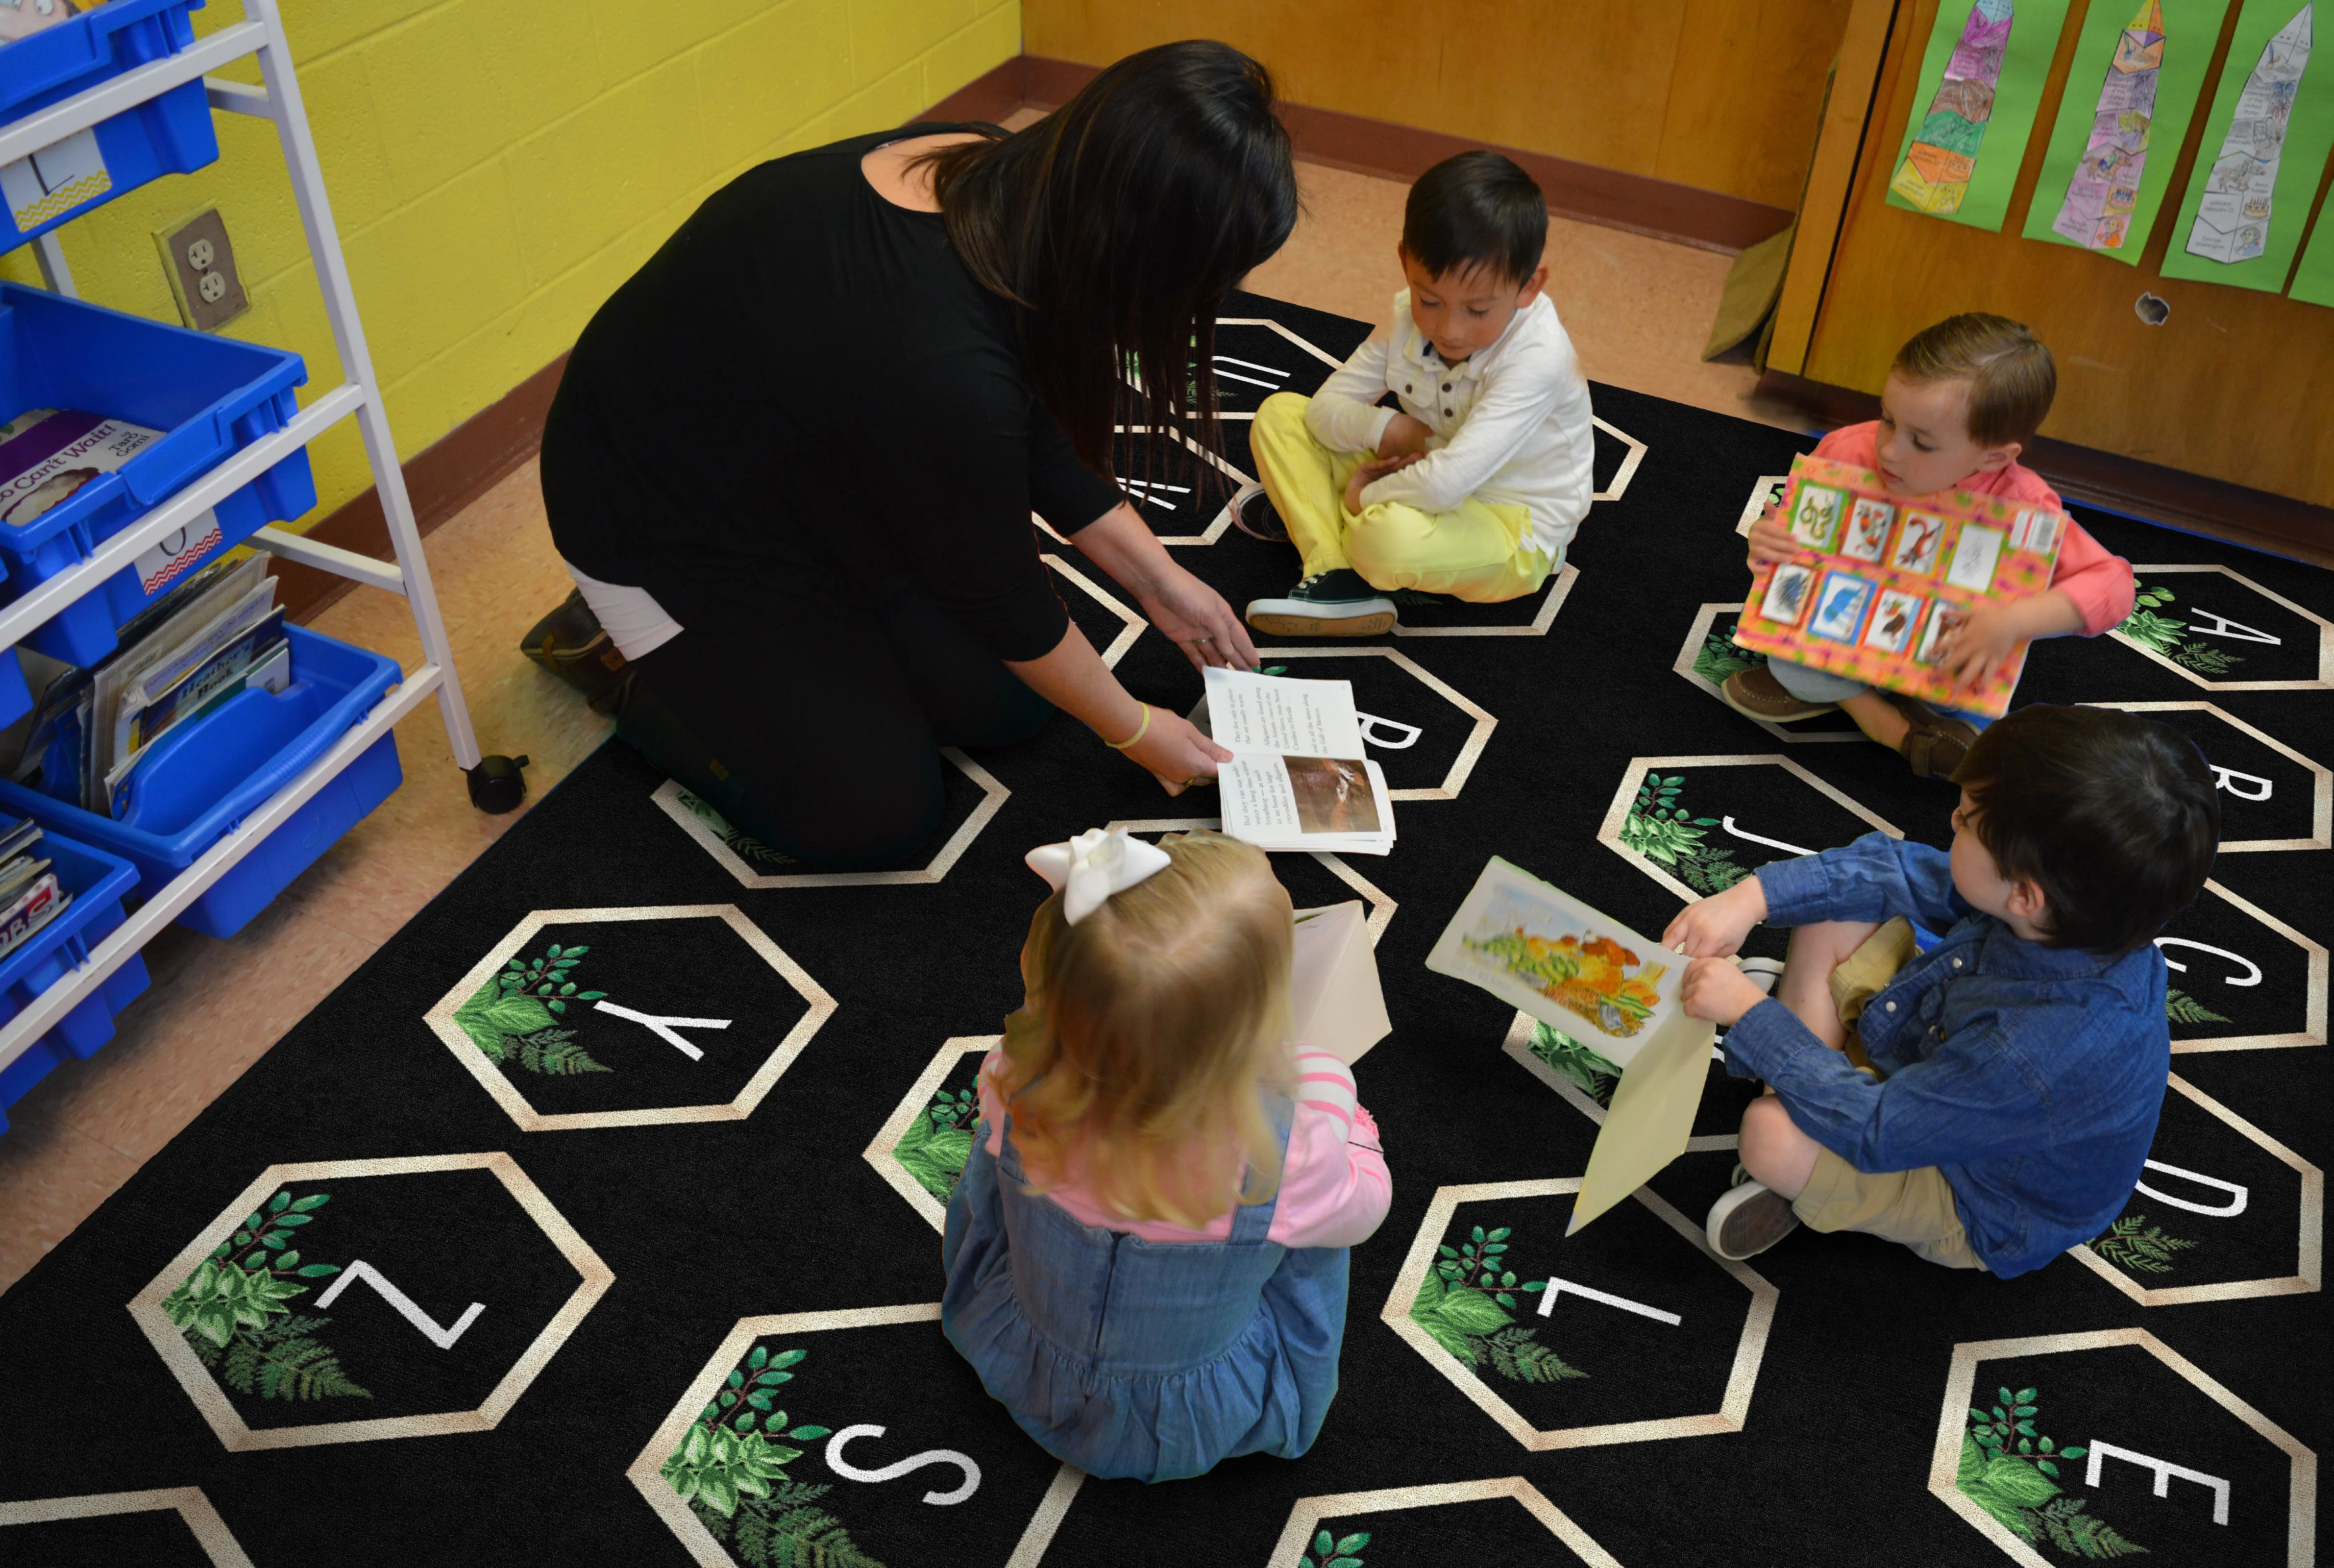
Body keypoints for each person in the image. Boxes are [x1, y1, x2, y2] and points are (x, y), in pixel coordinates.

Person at [538, 44, 1297, 868]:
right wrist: (1139, 731)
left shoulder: (987, 171)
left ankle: (799, 664)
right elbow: (1001, 590)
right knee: (872, 816)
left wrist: (1160, 581)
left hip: (814, 475)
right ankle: (621, 664)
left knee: (1010, 708)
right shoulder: (938, 365)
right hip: (661, 531)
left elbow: (1025, 409)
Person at [1661, 705, 2219, 1277]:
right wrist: (1750, 898)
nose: (1952, 818)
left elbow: (1880, 1128)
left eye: (1968, 821)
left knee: (1767, 1134)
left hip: (1976, 1193)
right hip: (1943, 1064)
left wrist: (1752, 1016)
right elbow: (1896, 872)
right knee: (1837, 908)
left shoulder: (2030, 1050)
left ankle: (1798, 1120)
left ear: (2024, 896)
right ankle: (1805, 1078)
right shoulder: (2071, 915)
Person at [943, 829, 1391, 1482]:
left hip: (1020, 1352)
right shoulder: (1284, 1150)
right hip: (1184, 1416)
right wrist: (1331, 1090)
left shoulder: (1011, 1077)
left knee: (993, 1163)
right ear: (1253, 1024)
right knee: (1315, 1225)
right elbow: (1364, 1209)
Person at [1721, 314, 2137, 778]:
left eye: (1921, 442)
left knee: (1970, 698)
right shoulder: (1847, 452)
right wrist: (1767, 546)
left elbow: (2115, 586)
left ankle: (1893, 707)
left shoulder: (2024, 508)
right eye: (1887, 419)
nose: (1889, 451)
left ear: (1993, 457)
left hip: (1939, 653)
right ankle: (1881, 723)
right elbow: (1795, 553)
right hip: (1846, 625)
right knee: (1787, 659)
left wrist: (2011, 622)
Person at [1240, 151, 1594, 637]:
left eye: (1478, 309)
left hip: (1512, 525)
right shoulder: (1406, 313)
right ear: (1405, 261)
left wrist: (1364, 495)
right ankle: (1335, 570)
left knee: (1384, 539)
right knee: (1280, 415)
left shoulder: (1539, 358)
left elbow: (1444, 486)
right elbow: (1325, 408)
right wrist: (1385, 427)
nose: (1447, 328)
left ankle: (1333, 535)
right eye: (1429, 300)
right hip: (1426, 467)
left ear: (1529, 286)